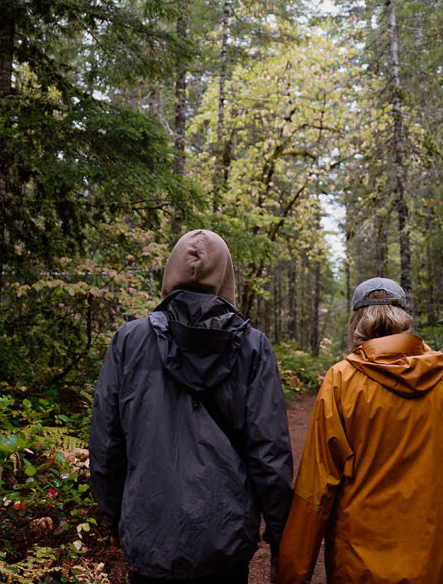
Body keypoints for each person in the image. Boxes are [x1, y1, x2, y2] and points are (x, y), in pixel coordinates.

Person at [89, 229, 293, 583]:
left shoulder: (130, 341)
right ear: (226, 278)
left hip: (149, 535)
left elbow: (106, 445)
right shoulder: (253, 347)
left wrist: (116, 519)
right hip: (225, 541)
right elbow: (269, 453)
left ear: (170, 272)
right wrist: (279, 537)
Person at [277, 277, 443, 584]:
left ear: (356, 322)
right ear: (404, 319)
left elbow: (316, 488)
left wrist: (291, 575)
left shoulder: (341, 380)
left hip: (359, 567)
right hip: (436, 563)